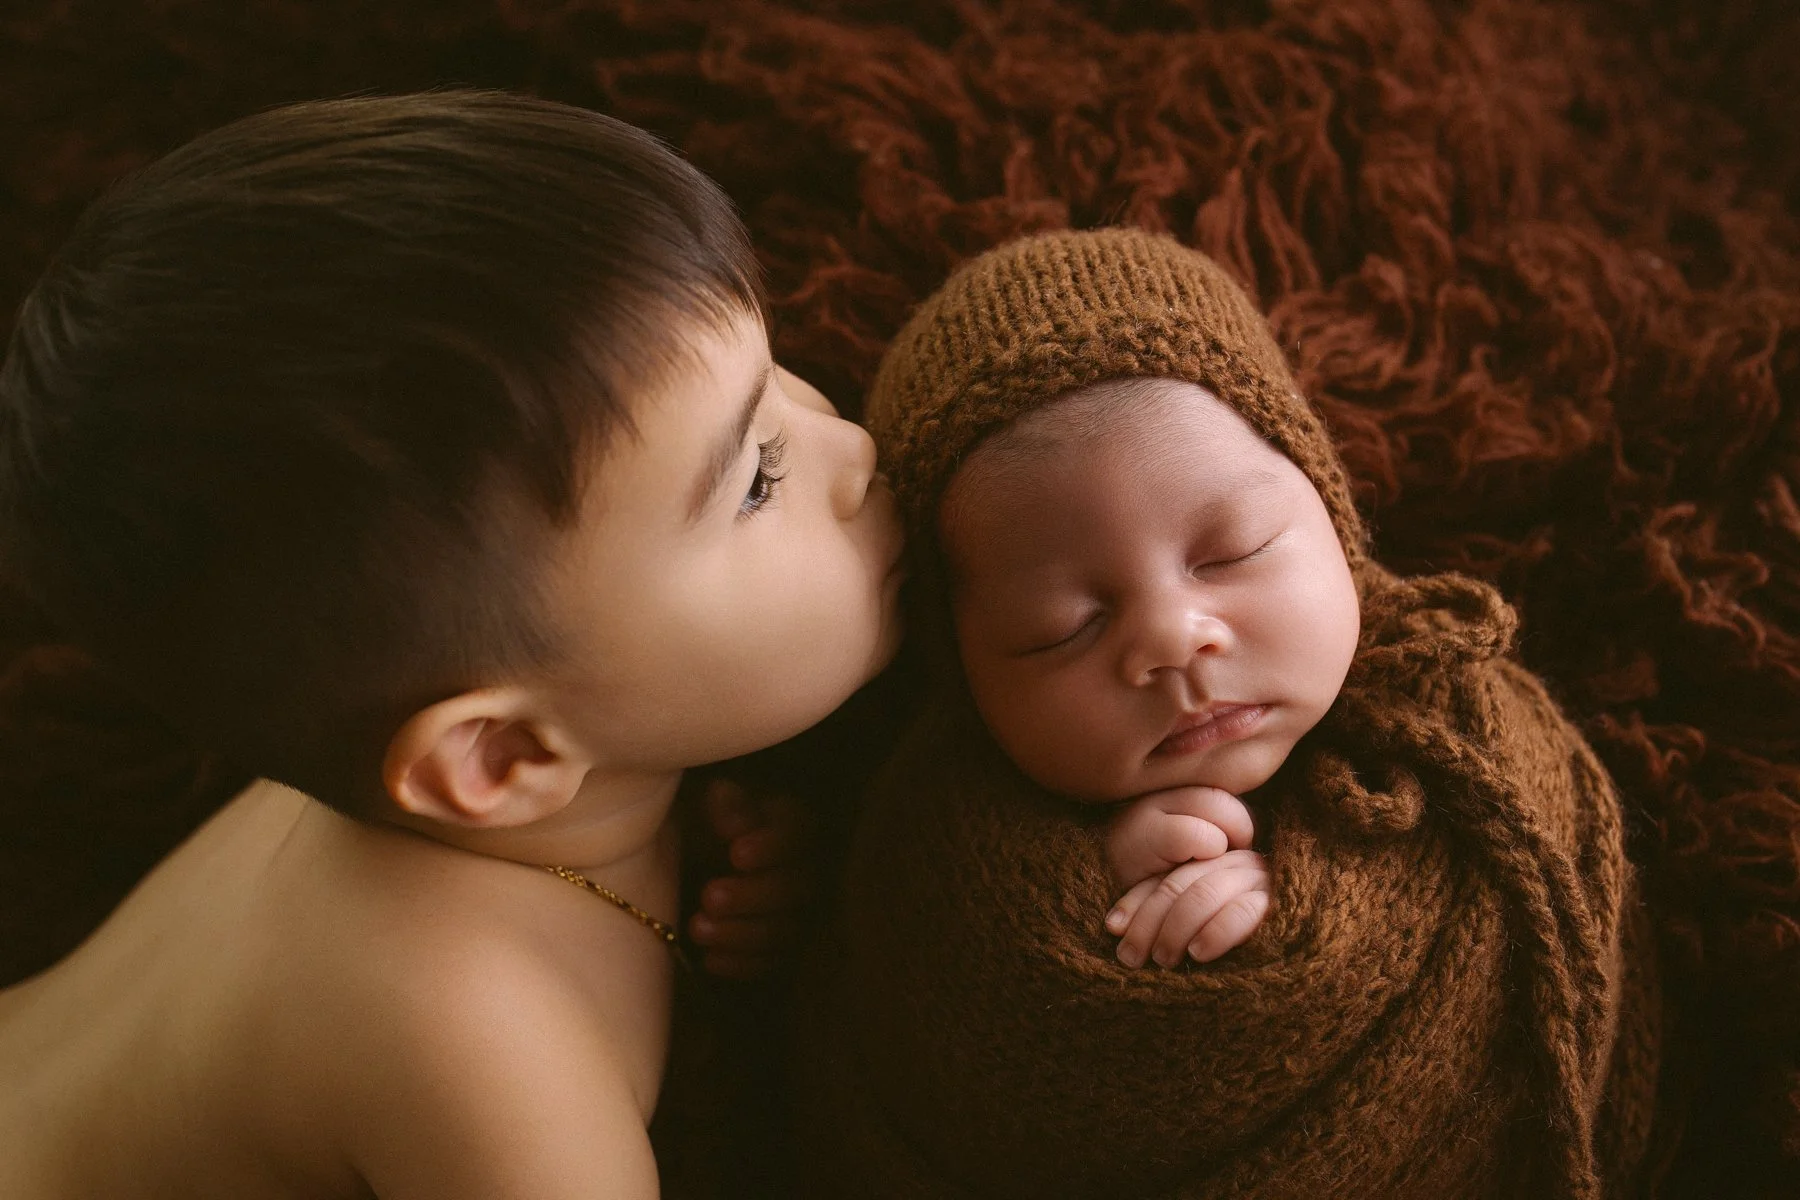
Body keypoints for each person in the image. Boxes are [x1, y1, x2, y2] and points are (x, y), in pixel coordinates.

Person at [0, 90, 903, 1199]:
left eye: (779, 377)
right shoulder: (503, 1082)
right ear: (501, 759)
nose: (853, 445)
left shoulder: (389, 719)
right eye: (758, 478)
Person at [793, 227, 1661, 1199]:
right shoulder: (926, 850)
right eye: (1061, 628)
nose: (1172, 639)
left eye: (1233, 551)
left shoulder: (1464, 708)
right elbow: (951, 1014)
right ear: (960, 671)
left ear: (1330, 510)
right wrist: (1110, 898)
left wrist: (1306, 900)